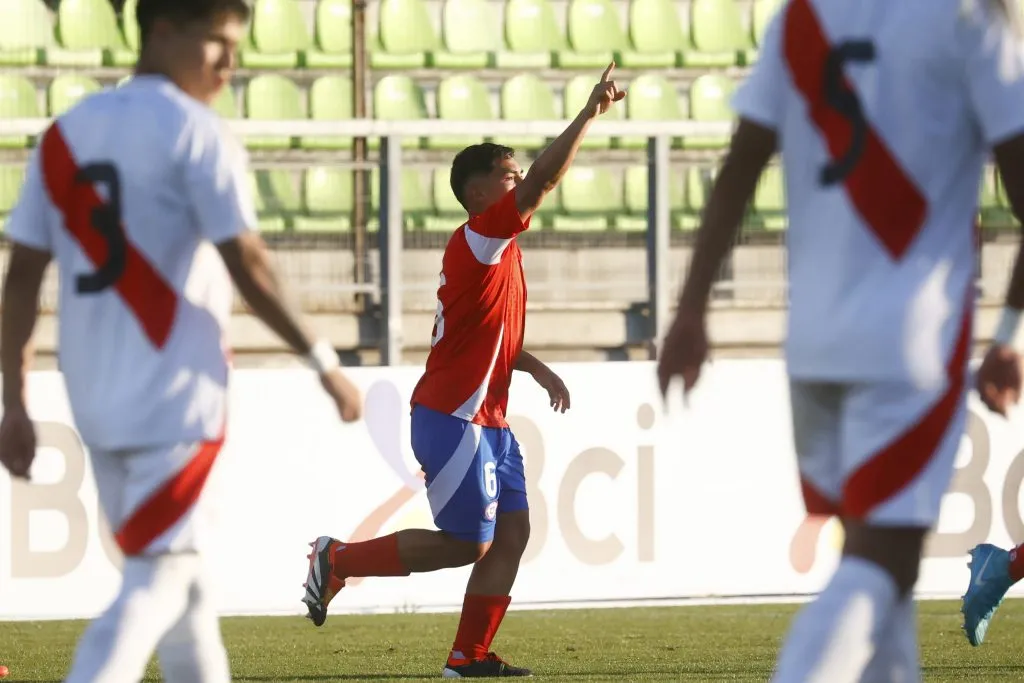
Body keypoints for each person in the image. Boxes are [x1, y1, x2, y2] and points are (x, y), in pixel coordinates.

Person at [656, 0, 1024, 680]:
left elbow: (738, 167)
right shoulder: (969, 18)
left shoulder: (800, 17)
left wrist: (690, 309)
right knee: (883, 562)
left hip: (813, 343)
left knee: (877, 565)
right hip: (913, 339)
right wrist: (1008, 333)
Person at [0, 0, 363, 680]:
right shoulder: (197, 131)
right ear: (162, 29)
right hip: (177, 396)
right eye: (217, 42)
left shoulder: (66, 134)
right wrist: (324, 362)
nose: (232, 61)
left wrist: (15, 400)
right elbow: (249, 263)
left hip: (96, 399)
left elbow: (20, 277)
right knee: (162, 577)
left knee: (190, 604)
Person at [300, 64, 625, 679]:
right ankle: (338, 558)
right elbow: (546, 184)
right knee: (468, 543)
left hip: (488, 419)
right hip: (454, 416)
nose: (521, 180)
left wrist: (533, 368)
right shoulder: (480, 235)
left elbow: (487, 335)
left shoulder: (497, 248)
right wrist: (588, 114)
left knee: (512, 534)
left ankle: (467, 657)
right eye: (509, 175)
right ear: (480, 194)